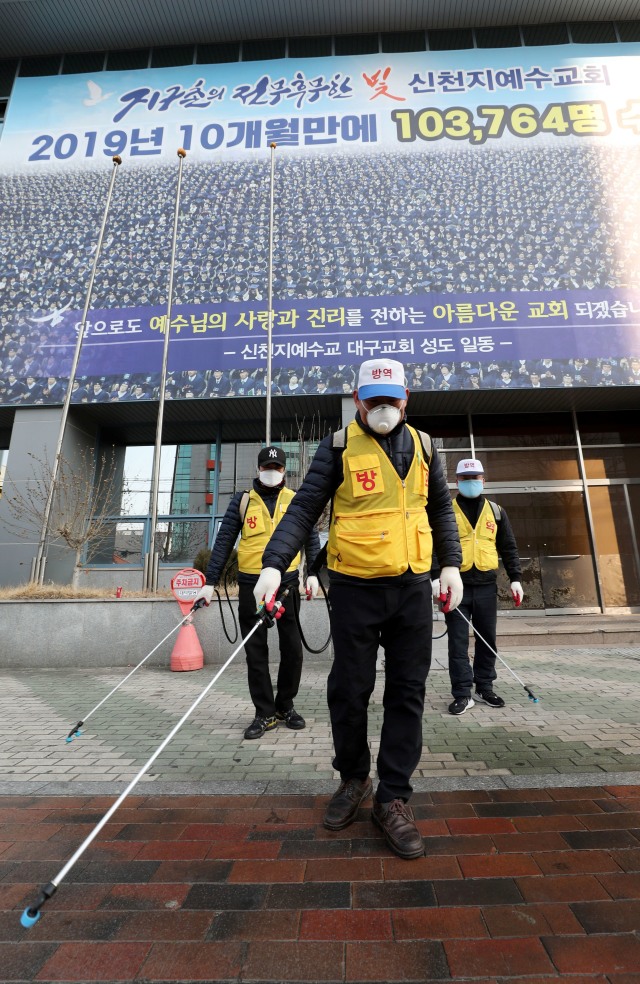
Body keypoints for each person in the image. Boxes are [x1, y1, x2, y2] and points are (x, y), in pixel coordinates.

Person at [253, 358, 463, 860]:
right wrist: (273, 563)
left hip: (412, 585)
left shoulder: (425, 446)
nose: (384, 408)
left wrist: (450, 565)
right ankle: (353, 779)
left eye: (393, 400)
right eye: (375, 400)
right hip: (354, 587)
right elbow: (304, 507)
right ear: (357, 401)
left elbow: (439, 508)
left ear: (406, 398)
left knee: (407, 690)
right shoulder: (338, 446)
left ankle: (393, 797)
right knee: (349, 689)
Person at [193, 446, 320, 740]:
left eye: (276, 467)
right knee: (255, 651)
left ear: (284, 471)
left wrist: (312, 572)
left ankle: (285, 706)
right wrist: (210, 582)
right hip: (251, 584)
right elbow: (224, 540)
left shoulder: (296, 500)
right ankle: (264, 713)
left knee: (292, 648)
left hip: (286, 583)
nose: (271, 472)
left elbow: (310, 538)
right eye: (267, 467)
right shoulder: (242, 501)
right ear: (258, 469)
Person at [432, 458, 523, 716]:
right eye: (465, 479)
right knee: (457, 642)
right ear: (457, 481)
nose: (471, 483)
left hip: (486, 585)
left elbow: (508, 547)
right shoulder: (446, 511)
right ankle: (462, 693)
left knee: (487, 639)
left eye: (476, 478)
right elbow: (433, 547)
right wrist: (435, 577)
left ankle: (484, 687)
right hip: (455, 587)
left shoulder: (496, 511)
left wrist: (515, 578)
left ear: (483, 480)